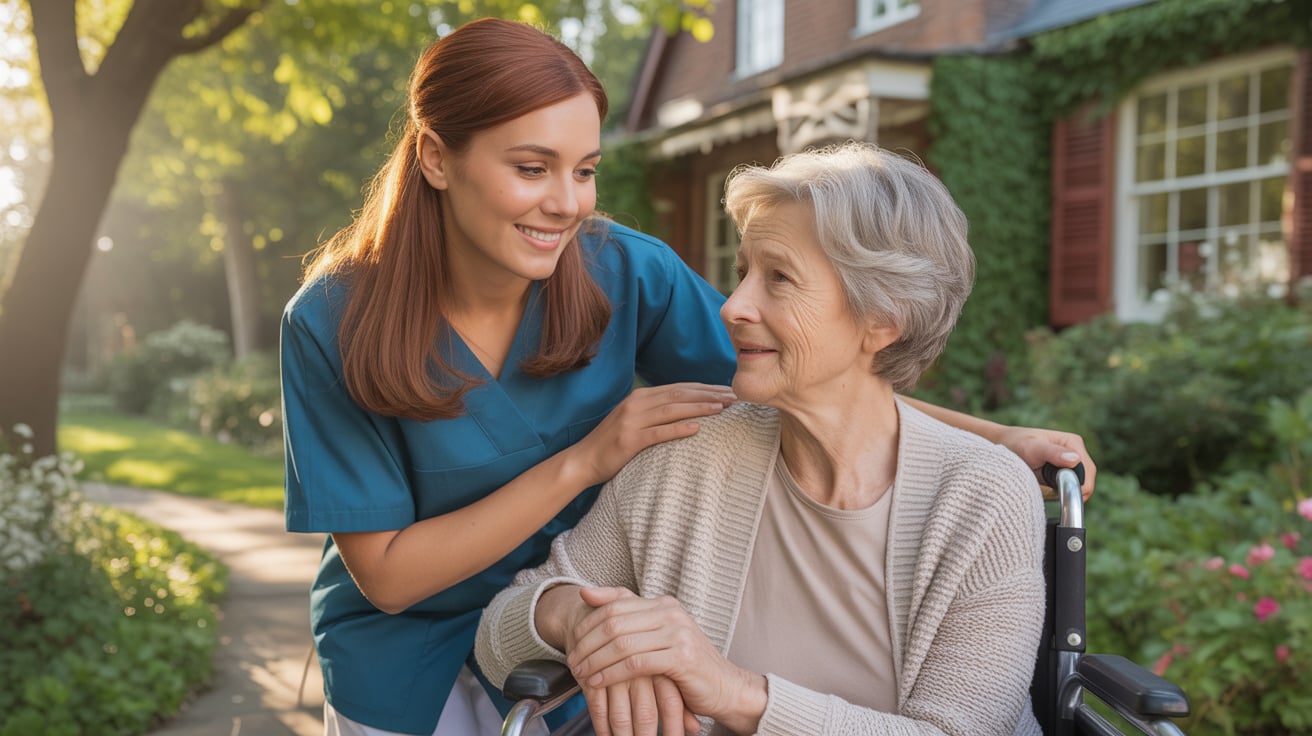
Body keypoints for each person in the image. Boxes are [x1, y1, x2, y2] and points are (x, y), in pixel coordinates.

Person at [281, 18, 1086, 736]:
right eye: (533, 167)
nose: (566, 204)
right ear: (436, 159)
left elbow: (821, 374)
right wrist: (589, 464)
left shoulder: (618, 269)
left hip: (578, 634)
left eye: (586, 169)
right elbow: (387, 577)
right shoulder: (330, 323)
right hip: (408, 647)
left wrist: (994, 442)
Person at [475, 142, 1048, 736]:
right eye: (743, 272)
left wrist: (734, 691)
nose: (733, 307)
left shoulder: (984, 498)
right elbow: (499, 638)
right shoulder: (684, 455)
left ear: (882, 320)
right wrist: (578, 619)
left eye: (779, 278)